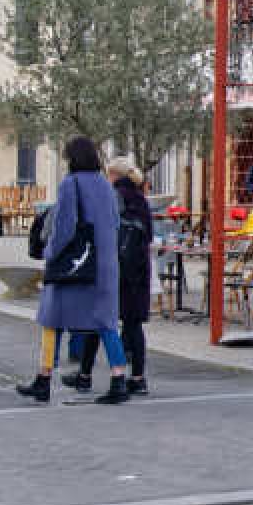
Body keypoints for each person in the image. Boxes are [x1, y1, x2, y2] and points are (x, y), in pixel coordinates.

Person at [18, 137, 132, 406]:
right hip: (104, 265)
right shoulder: (105, 185)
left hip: (74, 264)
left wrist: (50, 253)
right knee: (106, 323)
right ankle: (119, 379)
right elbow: (115, 222)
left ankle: (43, 379)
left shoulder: (71, 184)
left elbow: (64, 227)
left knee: (51, 319)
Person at [68, 156, 154, 398]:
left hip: (112, 267)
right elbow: (147, 235)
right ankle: (138, 379)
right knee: (133, 325)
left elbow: (99, 231)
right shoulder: (141, 199)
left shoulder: (111, 196)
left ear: (114, 175)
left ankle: (85, 375)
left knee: (98, 322)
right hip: (137, 270)